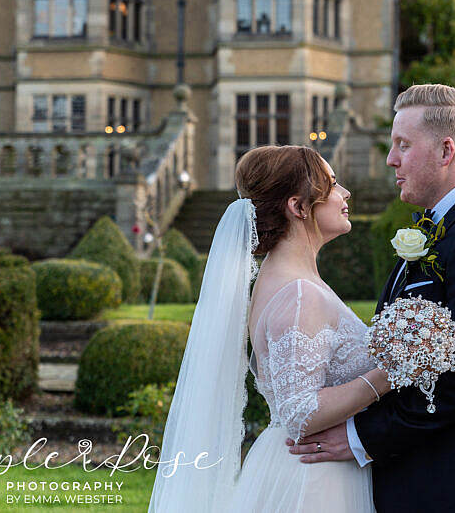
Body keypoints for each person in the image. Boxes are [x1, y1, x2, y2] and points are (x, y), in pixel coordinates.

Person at [289, 84, 455, 513]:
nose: (391, 159)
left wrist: (360, 436)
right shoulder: (439, 228)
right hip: (414, 471)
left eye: (403, 145)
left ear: (446, 151)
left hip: (452, 480)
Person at [148, 145, 391, 512]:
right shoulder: (297, 295)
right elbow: (299, 411)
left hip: (312, 467)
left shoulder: (293, 281)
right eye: (333, 184)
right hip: (312, 480)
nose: (346, 194)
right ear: (298, 207)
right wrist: (390, 372)